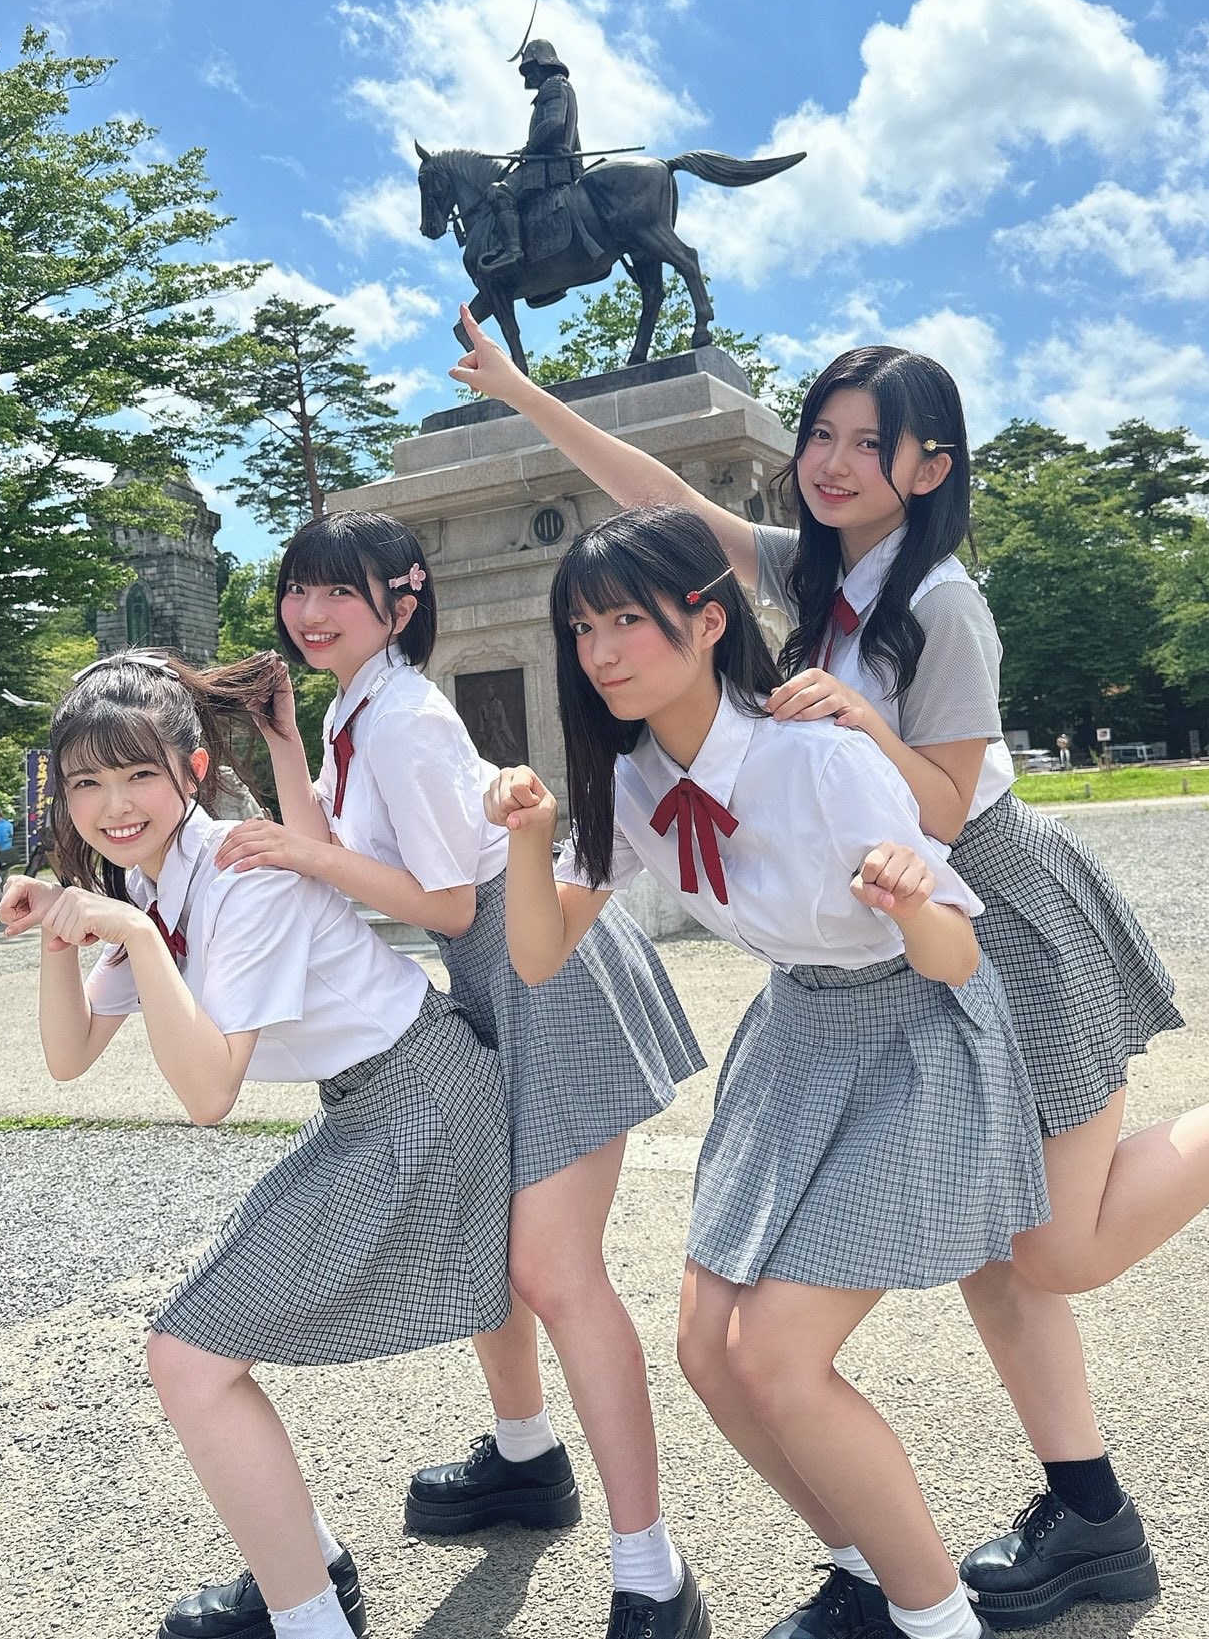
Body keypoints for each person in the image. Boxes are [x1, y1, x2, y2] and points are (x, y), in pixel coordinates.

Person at [451, 310, 1209, 1629]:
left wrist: (861, 724)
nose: (829, 462)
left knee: (1053, 1245)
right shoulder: (812, 578)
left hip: (986, 897)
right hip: (880, 899)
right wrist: (525, 394)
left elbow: (934, 809)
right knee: (1003, 1249)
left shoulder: (938, 602)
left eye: (866, 444)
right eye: (818, 434)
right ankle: (1088, 1513)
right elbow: (664, 509)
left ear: (930, 467)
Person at [492, 506, 1051, 1639]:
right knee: (707, 1352)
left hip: (915, 1030)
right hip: (796, 1031)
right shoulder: (634, 777)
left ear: (707, 622)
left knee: (778, 1357)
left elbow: (955, 956)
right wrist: (524, 837)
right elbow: (539, 955)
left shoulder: (821, 758)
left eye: (624, 621)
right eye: (581, 628)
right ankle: (866, 1575)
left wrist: (907, 895)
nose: (599, 652)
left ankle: (940, 1622)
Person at [189, 510, 708, 1639]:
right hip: (499, 973)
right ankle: (525, 1459)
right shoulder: (356, 706)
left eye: (340, 590)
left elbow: (444, 903)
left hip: (543, 972)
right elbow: (345, 854)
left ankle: (652, 1569)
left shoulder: (408, 719)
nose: (309, 612)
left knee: (556, 1273)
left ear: (403, 597)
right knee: (494, 1234)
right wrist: (286, 746)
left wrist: (300, 850)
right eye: (297, 588)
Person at [0, 648, 512, 1639]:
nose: (114, 805)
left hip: (424, 1099)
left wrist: (132, 937)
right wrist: (61, 934)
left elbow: (208, 1094)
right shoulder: (148, 882)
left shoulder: (242, 875)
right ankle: (309, 1570)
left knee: (186, 1358)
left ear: (192, 770)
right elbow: (69, 1058)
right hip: (364, 1108)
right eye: (87, 783)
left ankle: (312, 1616)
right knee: (192, 1348)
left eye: (139, 773)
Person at [479, 37, 585, 273]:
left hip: (549, 165)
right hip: (559, 160)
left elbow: (554, 123)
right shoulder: (563, 87)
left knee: (500, 191)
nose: (529, 76)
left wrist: (529, 147)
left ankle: (513, 251)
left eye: (531, 68)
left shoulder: (553, 86)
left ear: (544, 63)